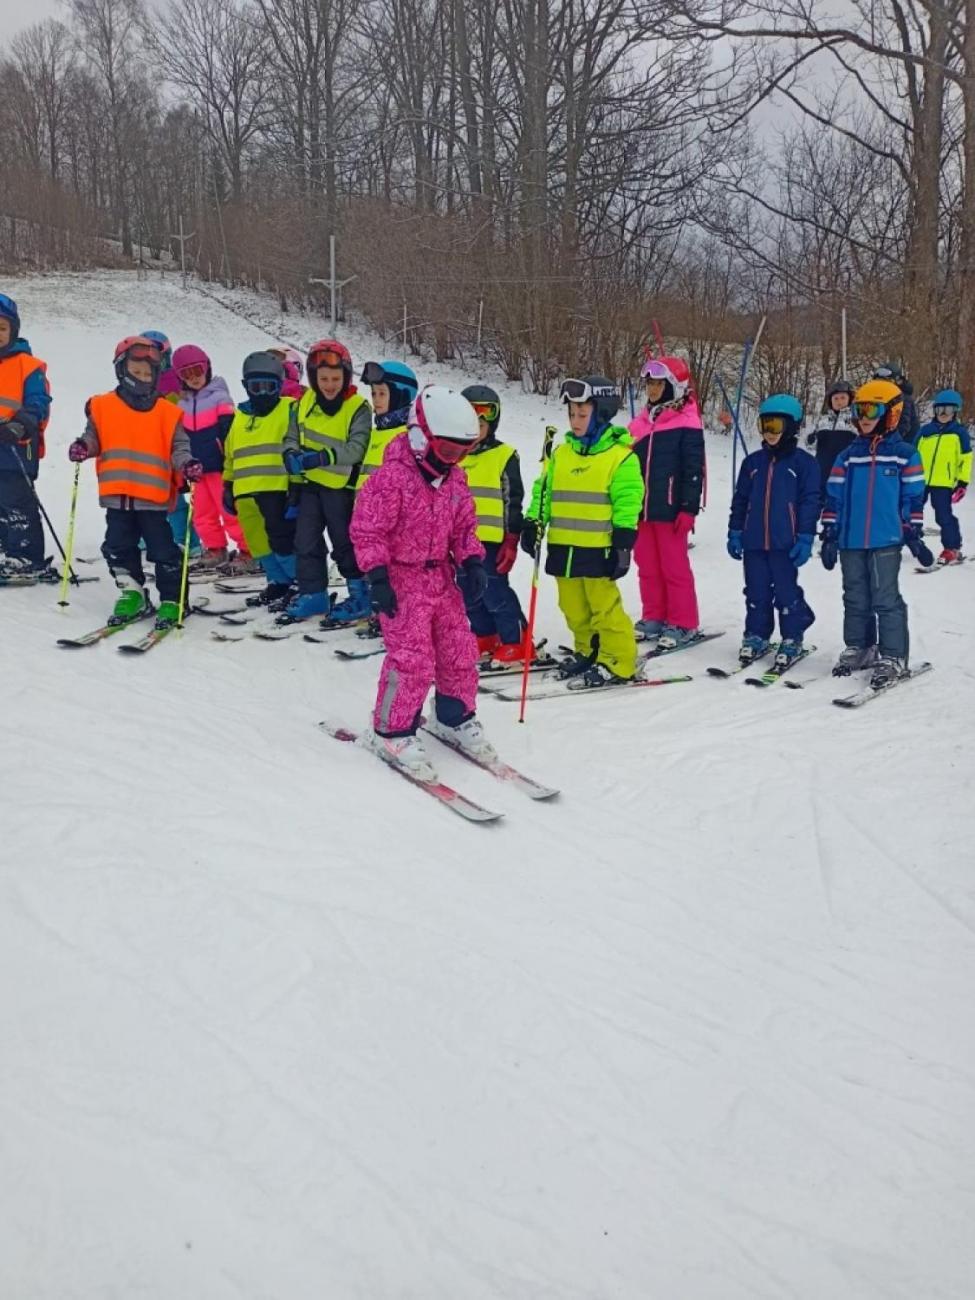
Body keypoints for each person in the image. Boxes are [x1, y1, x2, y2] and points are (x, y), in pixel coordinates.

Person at [349, 384, 493, 780]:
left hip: (441, 579)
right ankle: (390, 730)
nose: (455, 460)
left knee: (459, 651)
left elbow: (465, 527)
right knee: (412, 660)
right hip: (401, 579)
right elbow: (367, 530)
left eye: (465, 451)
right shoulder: (391, 479)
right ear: (419, 437)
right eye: (448, 451)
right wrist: (376, 576)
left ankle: (453, 716)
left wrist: (473, 561)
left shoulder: (455, 480)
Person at [68, 336, 203, 630]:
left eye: (148, 373)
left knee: (162, 550)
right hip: (117, 497)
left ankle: (173, 599)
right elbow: (94, 437)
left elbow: (179, 447)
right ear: (121, 370)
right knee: (116, 546)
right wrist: (83, 446)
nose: (142, 378)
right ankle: (133, 593)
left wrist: (187, 463)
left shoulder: (167, 412)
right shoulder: (103, 406)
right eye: (136, 371)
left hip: (152, 499)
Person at [521, 376, 642, 686]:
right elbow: (543, 491)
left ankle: (618, 659)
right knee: (572, 607)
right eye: (571, 414)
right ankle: (588, 649)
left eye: (582, 414)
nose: (574, 421)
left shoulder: (621, 457)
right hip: (564, 547)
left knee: (604, 608)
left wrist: (624, 543)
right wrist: (533, 521)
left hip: (598, 548)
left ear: (600, 414)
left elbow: (628, 502)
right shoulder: (561, 454)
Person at [820, 378, 925, 686]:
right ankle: (861, 645)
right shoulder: (848, 455)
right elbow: (834, 495)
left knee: (885, 598)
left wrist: (913, 531)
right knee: (854, 596)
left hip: (886, 539)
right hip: (851, 540)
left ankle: (893, 655)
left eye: (871, 410)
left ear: (891, 413)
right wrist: (829, 532)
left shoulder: (905, 455)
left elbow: (913, 496)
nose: (863, 417)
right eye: (859, 410)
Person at [281, 339, 373, 622]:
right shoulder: (304, 402)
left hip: (340, 488)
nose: (330, 385)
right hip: (310, 486)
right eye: (323, 379)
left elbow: (357, 446)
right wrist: (290, 453)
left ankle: (359, 593)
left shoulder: (357, 406)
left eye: (336, 378)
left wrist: (323, 457)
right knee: (305, 540)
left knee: (344, 542)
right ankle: (313, 594)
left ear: (346, 377)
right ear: (313, 378)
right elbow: (292, 435)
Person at [727, 394, 820, 668]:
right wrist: (735, 530)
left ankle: (792, 635)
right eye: (764, 426)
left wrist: (805, 536)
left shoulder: (804, 464)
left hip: (785, 541)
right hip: (754, 540)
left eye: (775, 427)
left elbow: (810, 501)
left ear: (791, 427)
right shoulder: (752, 463)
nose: (769, 433)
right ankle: (757, 634)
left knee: (785, 591)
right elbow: (740, 499)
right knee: (755, 591)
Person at [627, 354, 705, 648]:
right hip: (641, 509)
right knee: (647, 565)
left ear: (674, 386)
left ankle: (683, 622)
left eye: (659, 384)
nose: (653, 389)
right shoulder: (641, 422)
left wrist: (688, 508)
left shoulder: (687, 421)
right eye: (649, 384)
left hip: (671, 509)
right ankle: (654, 616)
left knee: (674, 567)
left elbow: (693, 470)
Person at [221, 352, 298, 608]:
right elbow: (231, 454)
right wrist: (228, 484)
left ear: (280, 386)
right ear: (246, 387)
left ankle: (298, 580)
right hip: (245, 493)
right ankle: (278, 581)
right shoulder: (240, 416)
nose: (263, 393)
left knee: (282, 540)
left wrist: (296, 485)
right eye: (256, 387)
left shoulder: (288, 409)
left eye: (270, 387)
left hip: (276, 489)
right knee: (257, 542)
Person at [459, 383, 529, 663]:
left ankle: (517, 639)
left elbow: (513, 499)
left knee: (494, 591)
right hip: (460, 540)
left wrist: (511, 539)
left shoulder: (503, 455)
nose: (476, 429)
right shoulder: (454, 457)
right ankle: (485, 635)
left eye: (482, 423)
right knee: (468, 591)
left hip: (491, 540)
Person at [171, 343, 254, 573]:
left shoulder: (220, 397)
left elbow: (229, 433)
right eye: (187, 374)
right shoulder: (181, 405)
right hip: (197, 471)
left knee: (228, 510)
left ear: (206, 368)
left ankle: (249, 550)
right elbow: (180, 440)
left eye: (197, 371)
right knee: (202, 514)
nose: (194, 378)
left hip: (219, 466)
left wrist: (231, 462)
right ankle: (215, 548)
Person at [0, 291, 53, 580]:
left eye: (2, 327)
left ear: (13, 330)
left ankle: (25, 554)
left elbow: (38, 403)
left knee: (16, 499)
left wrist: (20, 424)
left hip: (17, 447)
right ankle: (4, 545)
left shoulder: (27, 366)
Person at [143, 327, 202, 558]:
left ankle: (188, 541)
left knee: (174, 499)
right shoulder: (140, 379)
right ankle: (145, 538)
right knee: (146, 497)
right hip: (149, 448)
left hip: (173, 447)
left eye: (156, 355)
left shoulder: (174, 381)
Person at [915, 388, 971, 564]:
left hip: (943, 482)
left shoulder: (959, 433)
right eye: (940, 409)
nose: (943, 414)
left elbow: (966, 459)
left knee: (943, 515)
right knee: (911, 510)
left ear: (955, 412)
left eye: (948, 410)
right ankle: (911, 539)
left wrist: (962, 482)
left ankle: (952, 548)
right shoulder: (925, 431)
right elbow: (913, 452)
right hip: (920, 479)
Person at [357, 359, 418, 489]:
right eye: (374, 393)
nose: (376, 399)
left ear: (400, 396)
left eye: (382, 393)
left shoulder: (409, 438)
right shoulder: (374, 433)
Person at [805, 379, 856, 491]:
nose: (839, 401)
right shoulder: (823, 420)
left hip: (845, 469)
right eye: (836, 398)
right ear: (830, 401)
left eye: (843, 398)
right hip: (823, 468)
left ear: (850, 399)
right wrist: (811, 439)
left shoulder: (854, 420)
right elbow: (811, 446)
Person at [872, 362, 920, 444]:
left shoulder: (902, 398)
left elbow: (904, 425)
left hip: (904, 443)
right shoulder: (880, 398)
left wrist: (887, 442)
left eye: (885, 382)